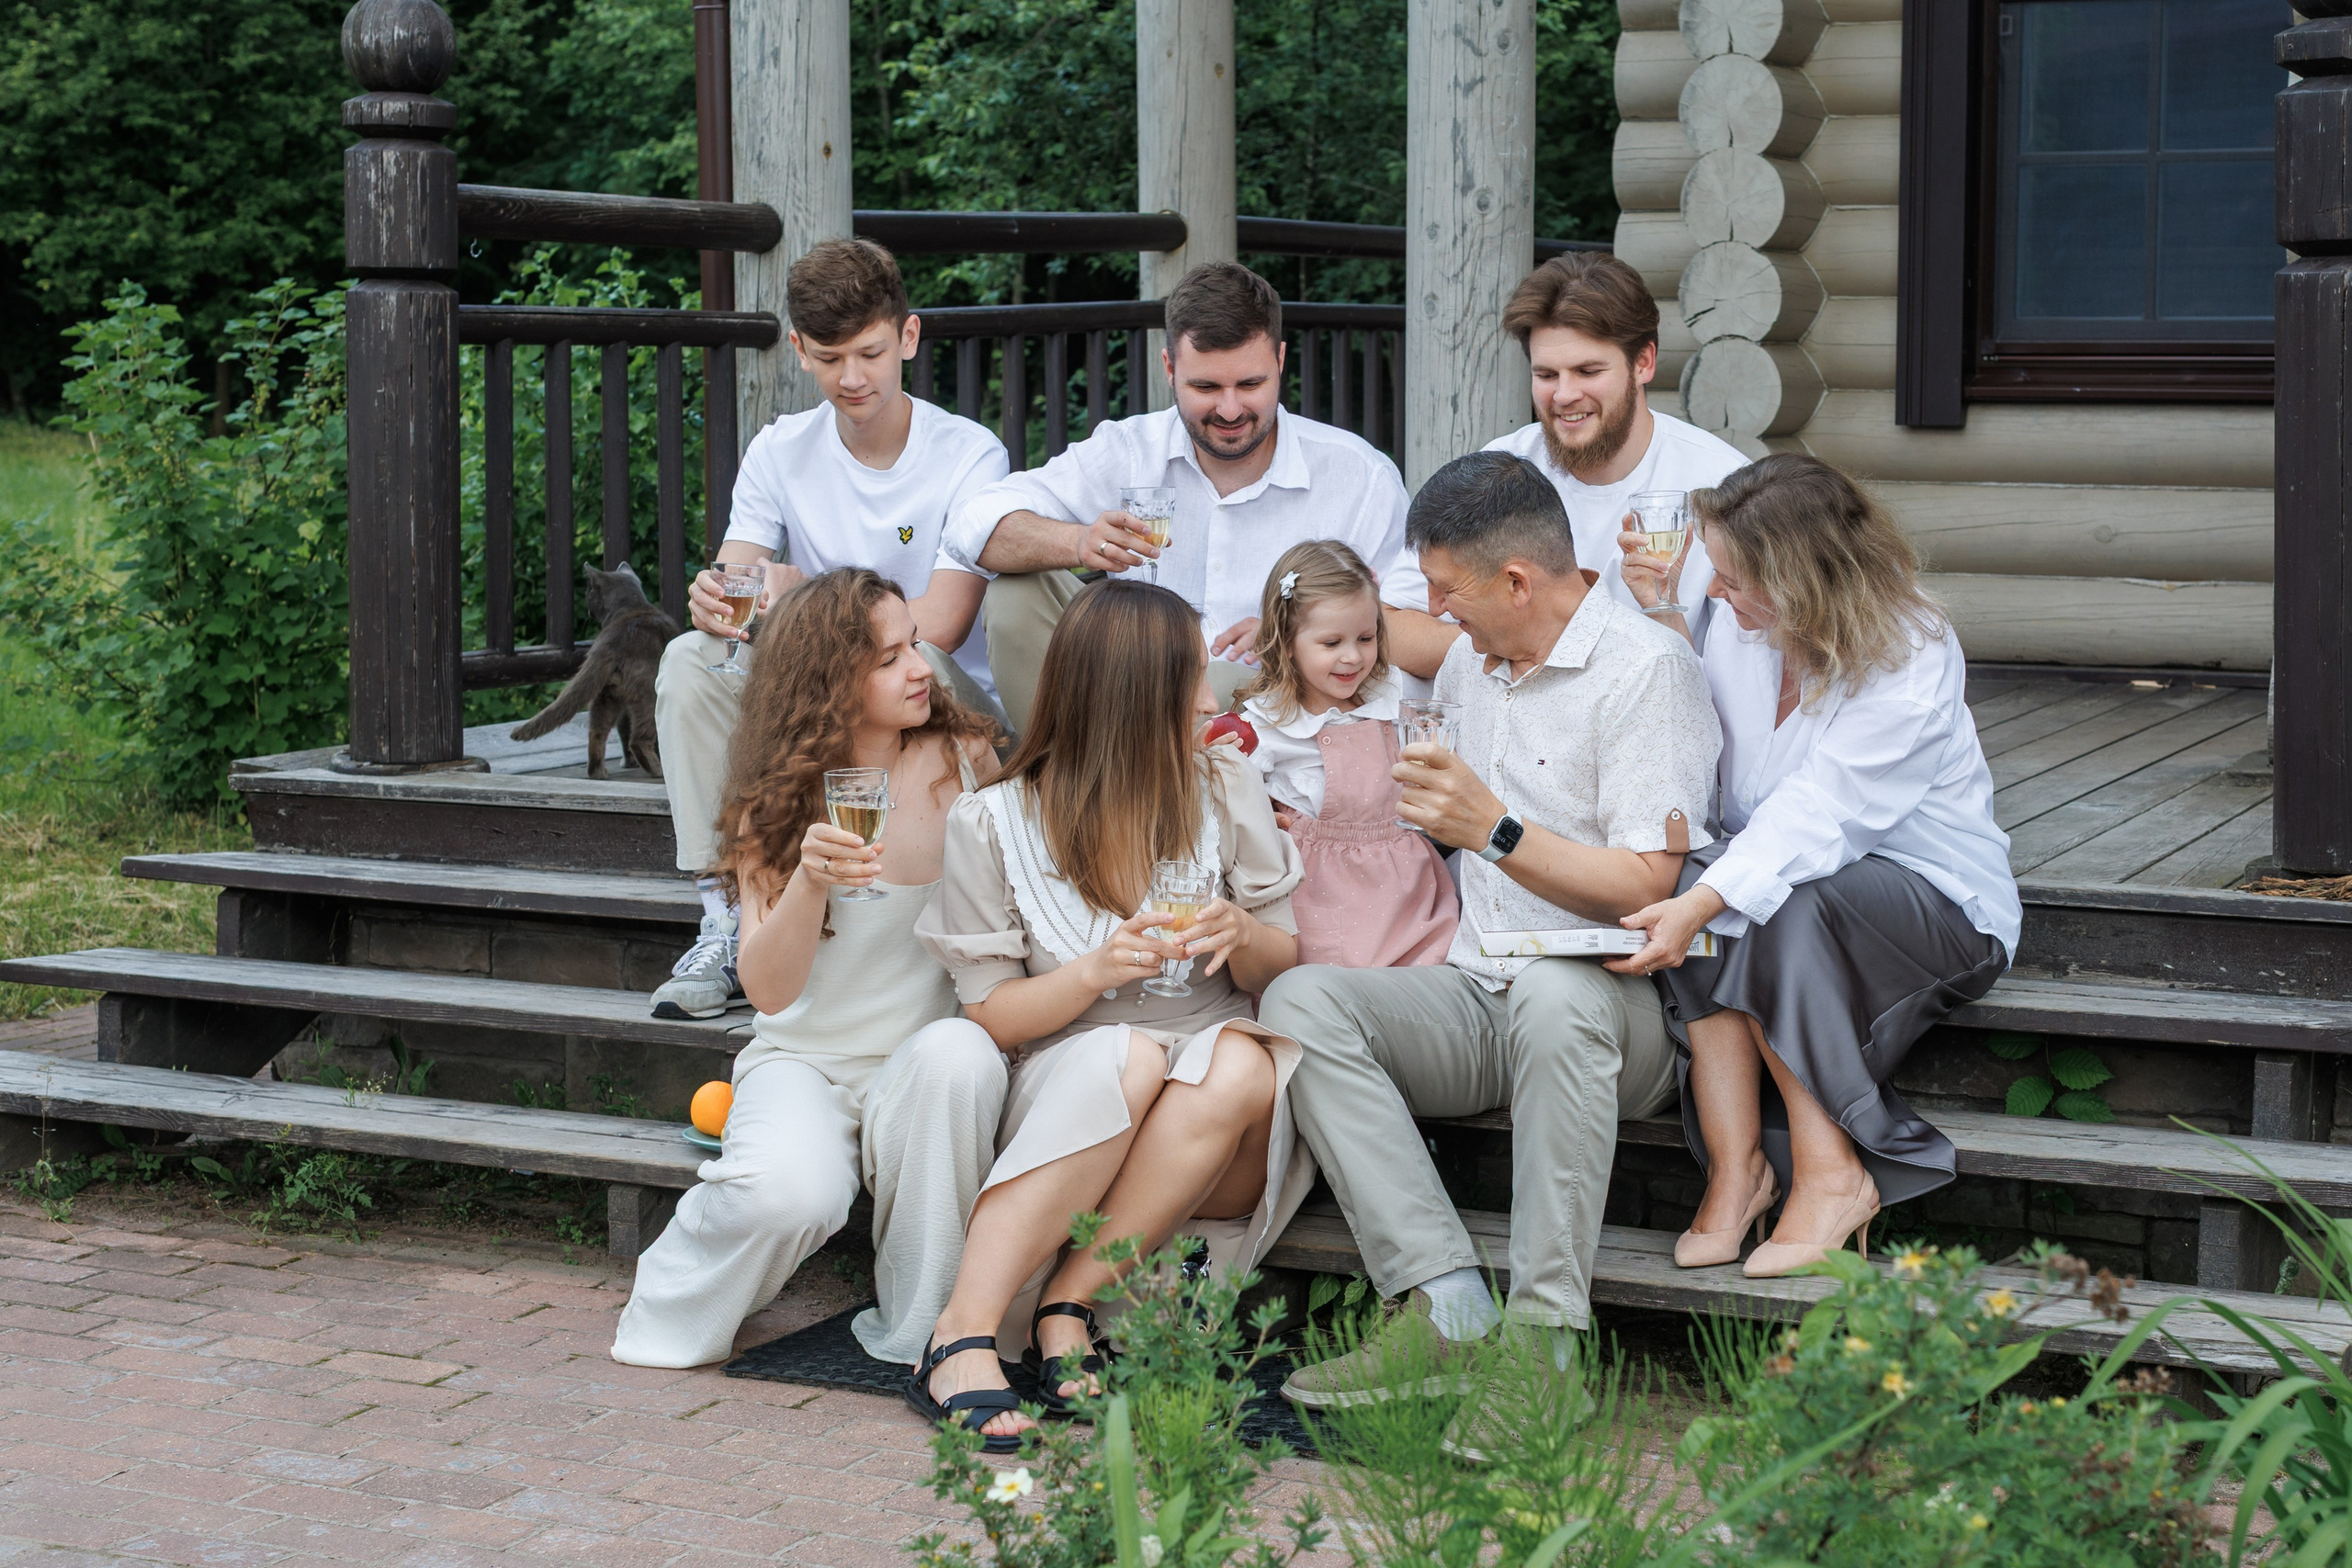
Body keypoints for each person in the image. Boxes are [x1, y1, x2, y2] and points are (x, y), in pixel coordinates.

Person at [1259, 451, 1720, 1420]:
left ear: (1514, 580)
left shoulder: (1647, 673)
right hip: (1480, 990)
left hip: (1616, 1007)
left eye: (1441, 590)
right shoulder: (1471, 660)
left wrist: (1493, 833)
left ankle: (1543, 1346)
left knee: (1554, 998)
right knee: (1299, 998)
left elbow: (1649, 885)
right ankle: (1447, 1305)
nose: (1430, 613)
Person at [906, 579, 1312, 1450]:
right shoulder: (992, 821)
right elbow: (992, 1017)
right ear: (1131, 699)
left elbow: (1280, 960)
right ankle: (961, 1331)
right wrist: (1091, 972)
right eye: (1192, 681)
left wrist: (1241, 929)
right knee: (1125, 1053)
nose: (1213, 702)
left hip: (1209, 1107)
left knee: (1246, 1058)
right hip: (1072, 1082)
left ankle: (1067, 1305)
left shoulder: (1222, 781)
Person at [1611, 454, 2018, 1277]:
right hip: (1797, 885)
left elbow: (1825, 811)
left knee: (1771, 901)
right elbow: (1697, 722)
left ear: (1801, 580)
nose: (1715, 593)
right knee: (1698, 880)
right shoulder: (1741, 625)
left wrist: (1710, 899)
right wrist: (1660, 609)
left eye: (1730, 578)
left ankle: (1832, 1171)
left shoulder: (1912, 653)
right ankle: (1738, 1168)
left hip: (1937, 904)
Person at [612, 569, 1008, 1370]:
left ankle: (923, 1327)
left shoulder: (964, 759)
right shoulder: (778, 799)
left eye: (915, 645)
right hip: (808, 1060)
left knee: (962, 1055)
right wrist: (808, 884)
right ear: (829, 678)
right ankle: (672, 1307)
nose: (921, 668)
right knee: (787, 1192)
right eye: (890, 656)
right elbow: (767, 990)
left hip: (925, 1058)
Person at [650, 239, 1012, 1020]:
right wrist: (716, 597)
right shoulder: (781, 448)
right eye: (830, 357)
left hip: (929, 687)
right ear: (800, 351)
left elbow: (942, 623)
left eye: (871, 353)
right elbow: (739, 577)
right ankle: (724, 915)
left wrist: (807, 593)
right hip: (817, 688)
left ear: (908, 338)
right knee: (689, 660)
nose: (852, 378)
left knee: (926, 662)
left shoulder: (968, 454)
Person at [940, 261, 1424, 729]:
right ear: (1170, 367)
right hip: (1125, 704)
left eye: (1251, 384)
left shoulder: (1360, 477)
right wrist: (1079, 541)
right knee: (1015, 591)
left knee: (1218, 676)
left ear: (1279, 361)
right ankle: (1063, 785)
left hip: (1270, 724)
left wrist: (1288, 636)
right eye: (1206, 386)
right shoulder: (1129, 449)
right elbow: (971, 523)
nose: (1231, 409)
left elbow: (1403, 630)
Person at [1385, 254, 1750, 684]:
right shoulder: (1503, 467)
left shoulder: (1725, 484)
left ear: (1644, 362)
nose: (1563, 395)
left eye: (1587, 370)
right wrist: (1526, 649)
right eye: (1545, 374)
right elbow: (1389, 626)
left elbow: (1744, 683)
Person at [1236, 539, 1458, 968]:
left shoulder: (1395, 697)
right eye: (1332, 642)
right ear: (1286, 642)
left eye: (1366, 637)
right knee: (1332, 995)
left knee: (1433, 986)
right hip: (1321, 900)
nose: (1352, 657)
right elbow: (1226, 806)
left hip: (1409, 891)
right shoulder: (1265, 728)